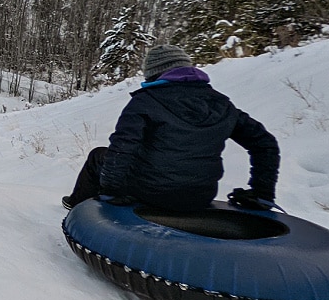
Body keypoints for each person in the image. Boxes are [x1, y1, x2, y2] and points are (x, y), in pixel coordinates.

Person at [63, 44, 279, 211]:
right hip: (200, 196)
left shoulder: (146, 101)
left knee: (97, 156)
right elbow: (265, 143)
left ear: (154, 73)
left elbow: (122, 147)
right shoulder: (221, 103)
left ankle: (77, 209)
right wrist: (262, 193)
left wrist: (110, 191)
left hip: (149, 192)